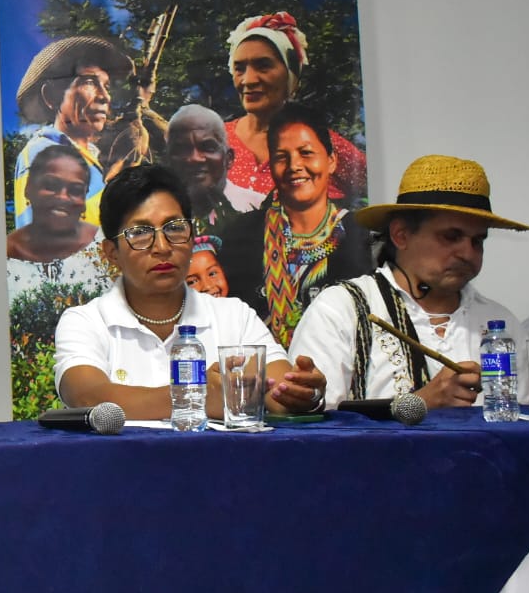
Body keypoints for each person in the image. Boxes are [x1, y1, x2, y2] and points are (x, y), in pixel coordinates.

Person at [54, 164, 326, 421]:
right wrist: (195, 396)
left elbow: (278, 394)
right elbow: (85, 396)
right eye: (140, 233)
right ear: (112, 253)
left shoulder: (233, 315)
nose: (162, 246)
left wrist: (303, 394)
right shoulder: (86, 321)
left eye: (174, 228)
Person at [289, 155, 529, 409]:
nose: (468, 253)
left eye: (477, 241)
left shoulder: (500, 324)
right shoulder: (341, 308)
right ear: (400, 235)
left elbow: (520, 432)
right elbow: (315, 427)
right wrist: (421, 403)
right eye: (451, 236)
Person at [219, 107, 373, 347]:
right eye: (282, 157)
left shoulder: (361, 237)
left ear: (331, 161)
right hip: (266, 377)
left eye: (306, 153)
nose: (295, 165)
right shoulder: (241, 237)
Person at [224, 12, 366, 205]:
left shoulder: (323, 144)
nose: (248, 80)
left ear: (292, 76)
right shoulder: (215, 139)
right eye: (239, 68)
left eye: (263, 66)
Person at [12, 36, 134, 228]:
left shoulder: (94, 158)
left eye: (106, 87)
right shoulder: (43, 154)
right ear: (51, 96)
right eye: (89, 82)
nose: (104, 96)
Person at [6, 144, 102, 275]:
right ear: (28, 188)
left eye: (76, 190)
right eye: (51, 185)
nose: (63, 197)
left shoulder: (103, 249)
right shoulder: (6, 253)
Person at [164, 103, 260, 223]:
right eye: (182, 149)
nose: (195, 158)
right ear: (168, 160)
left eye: (207, 148)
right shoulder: (153, 214)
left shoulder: (259, 209)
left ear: (229, 159)